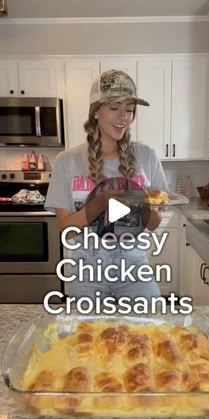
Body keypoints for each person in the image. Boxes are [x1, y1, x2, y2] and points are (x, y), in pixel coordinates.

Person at [45, 69, 168, 303]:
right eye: (114, 108)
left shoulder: (147, 156)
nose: (124, 117)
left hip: (134, 270)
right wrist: (99, 204)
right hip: (85, 273)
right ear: (95, 112)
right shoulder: (67, 161)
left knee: (150, 330)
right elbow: (66, 230)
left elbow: (153, 225)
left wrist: (148, 208)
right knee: (86, 338)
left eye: (130, 110)